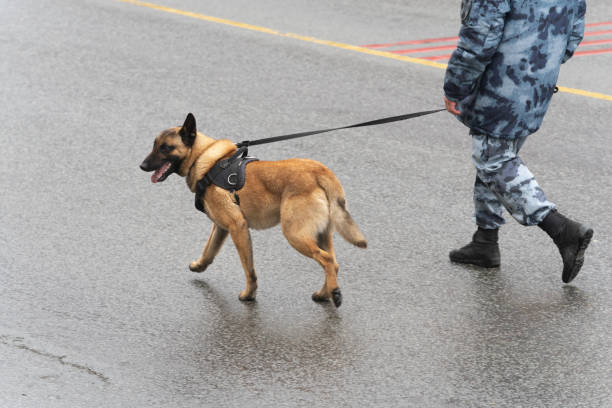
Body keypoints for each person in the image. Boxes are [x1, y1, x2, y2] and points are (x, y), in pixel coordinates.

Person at [443, 0, 593, 283]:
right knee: (497, 153)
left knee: (494, 160)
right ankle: (485, 241)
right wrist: (541, 67)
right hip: (538, 79)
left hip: (501, 83)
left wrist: (455, 85)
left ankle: (563, 231)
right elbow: (575, 30)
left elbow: (479, 39)